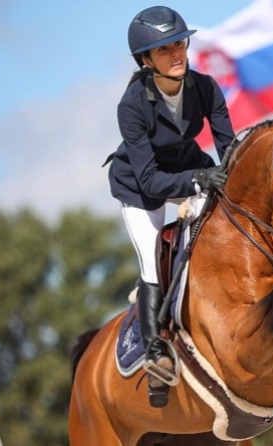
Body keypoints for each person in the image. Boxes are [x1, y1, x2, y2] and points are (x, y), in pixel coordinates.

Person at [106, 5, 235, 408]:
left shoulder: (206, 87)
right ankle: (155, 353)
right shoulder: (131, 106)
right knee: (152, 263)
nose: (177, 53)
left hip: (188, 167)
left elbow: (228, 151)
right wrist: (198, 179)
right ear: (146, 60)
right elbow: (150, 180)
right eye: (164, 49)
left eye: (180, 43)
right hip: (140, 187)